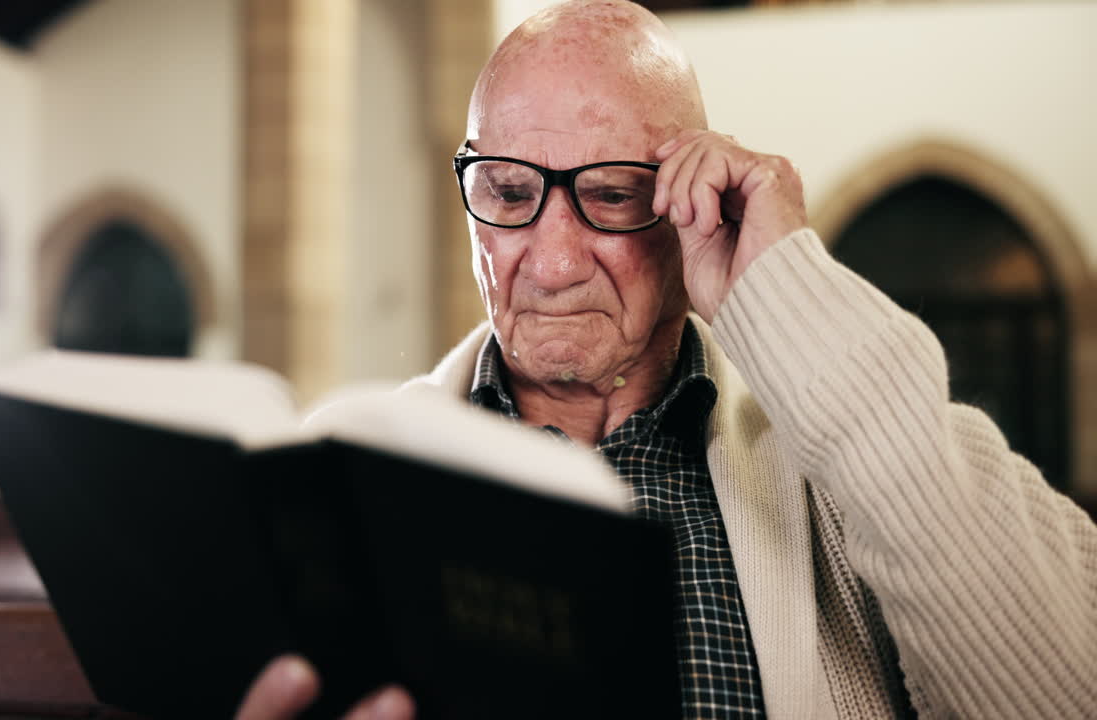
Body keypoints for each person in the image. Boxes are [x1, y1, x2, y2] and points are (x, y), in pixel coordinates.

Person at [237, 2, 1097, 718]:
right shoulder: (339, 473)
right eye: (508, 190)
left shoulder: (836, 474)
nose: (553, 261)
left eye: (612, 194)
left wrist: (792, 302)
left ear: (692, 199)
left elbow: (1064, 688)